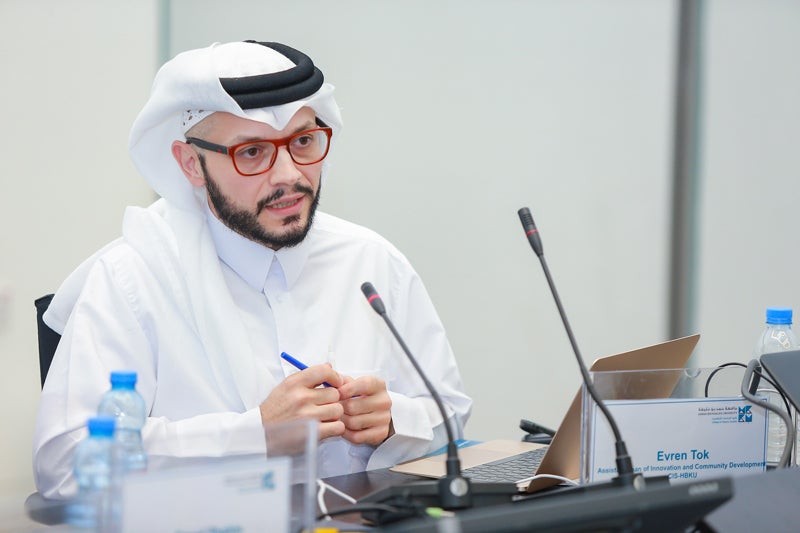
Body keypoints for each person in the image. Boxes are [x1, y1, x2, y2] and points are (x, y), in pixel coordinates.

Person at [32, 40, 471, 499]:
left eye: (303, 142)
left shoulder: (373, 261)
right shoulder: (133, 279)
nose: (289, 175)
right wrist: (255, 435)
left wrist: (395, 420)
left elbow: (452, 412)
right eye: (253, 152)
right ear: (191, 164)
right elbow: (67, 465)